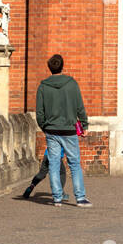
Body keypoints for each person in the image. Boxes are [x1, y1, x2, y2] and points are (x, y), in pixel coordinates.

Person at [35, 53, 91, 207]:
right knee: (74, 164)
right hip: (68, 130)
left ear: (49, 68)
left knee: (53, 163)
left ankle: (57, 197)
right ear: (62, 66)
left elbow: (39, 112)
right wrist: (84, 125)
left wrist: (44, 126)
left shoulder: (43, 86)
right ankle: (80, 197)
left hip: (52, 130)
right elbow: (79, 107)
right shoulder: (72, 84)